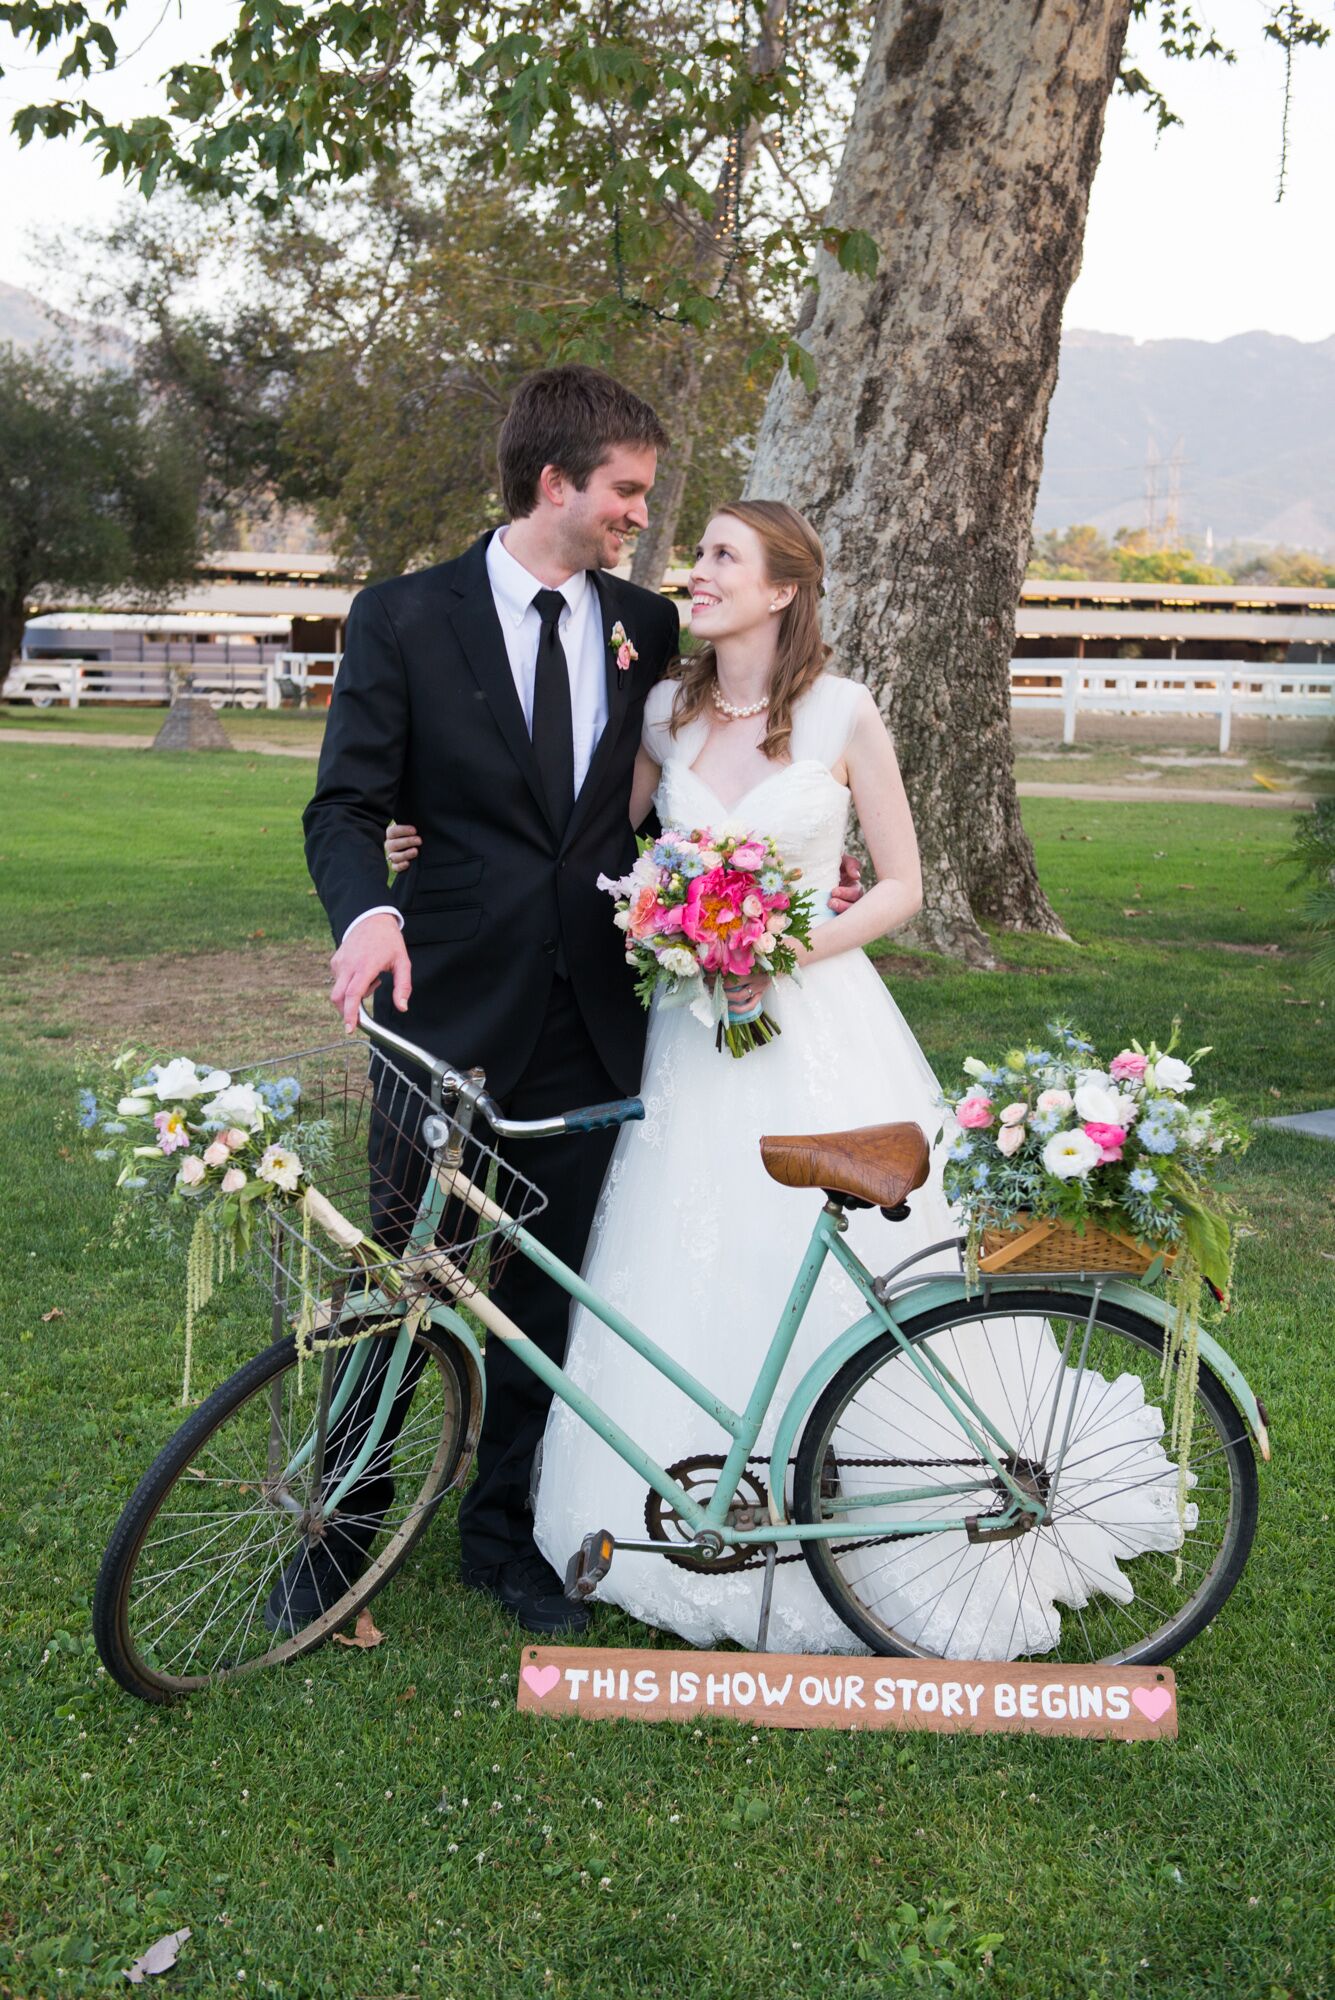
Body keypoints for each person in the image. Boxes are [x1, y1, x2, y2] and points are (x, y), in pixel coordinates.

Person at [387, 498, 955, 1652]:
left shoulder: (845, 711)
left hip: (817, 1023)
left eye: (720, 556)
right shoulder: (664, 711)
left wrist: (786, 944)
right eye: (693, 551)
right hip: (692, 1034)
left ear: (784, 589)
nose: (692, 572)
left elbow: (901, 884)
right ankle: (649, 1497)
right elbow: (592, 846)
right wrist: (425, 839)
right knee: (666, 1243)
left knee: (819, 1251)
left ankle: (862, 1501)